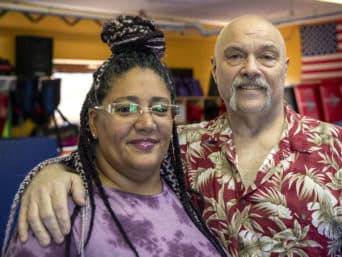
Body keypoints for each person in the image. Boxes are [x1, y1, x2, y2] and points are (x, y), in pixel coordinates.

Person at [10, 15, 342, 257]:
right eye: (235, 56)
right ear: (215, 69)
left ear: (284, 67)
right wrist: (54, 171)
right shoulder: (178, 148)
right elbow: (110, 163)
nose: (250, 68)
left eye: (266, 56)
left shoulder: (340, 150)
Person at [1, 15, 228, 257]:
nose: (147, 123)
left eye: (160, 109)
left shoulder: (190, 196)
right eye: (125, 109)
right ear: (94, 122)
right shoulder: (60, 212)